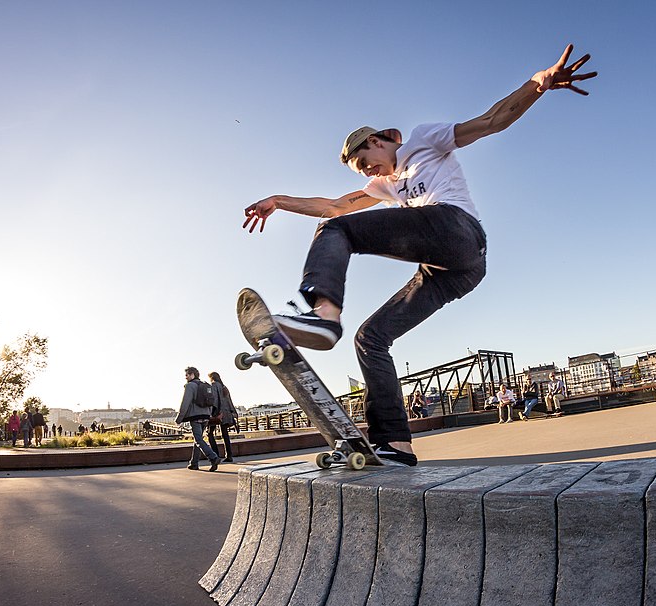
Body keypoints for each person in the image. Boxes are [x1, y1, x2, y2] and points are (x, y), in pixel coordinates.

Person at [242, 45, 596, 465]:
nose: (369, 173)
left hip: (457, 230)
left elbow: (490, 121)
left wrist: (538, 84)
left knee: (337, 231)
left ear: (377, 141)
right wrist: (280, 201)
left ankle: (323, 316)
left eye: (365, 162)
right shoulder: (385, 185)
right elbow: (335, 206)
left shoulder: (425, 139)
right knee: (371, 338)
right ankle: (395, 443)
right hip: (456, 271)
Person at [176, 366, 221, 471]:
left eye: (187, 375)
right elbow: (211, 402)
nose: (185, 377)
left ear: (192, 375)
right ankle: (194, 463)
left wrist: (179, 418)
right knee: (198, 440)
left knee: (198, 440)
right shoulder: (205, 385)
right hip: (205, 416)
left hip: (195, 417)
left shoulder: (190, 386)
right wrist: (209, 414)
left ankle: (213, 458)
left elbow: (185, 403)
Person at [207, 372, 237, 463]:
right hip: (226, 413)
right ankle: (229, 455)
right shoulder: (224, 387)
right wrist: (233, 412)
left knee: (210, 433)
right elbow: (229, 401)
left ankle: (215, 455)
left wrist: (212, 413)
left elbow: (214, 400)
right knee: (225, 434)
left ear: (211, 378)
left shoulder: (213, 385)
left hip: (217, 413)